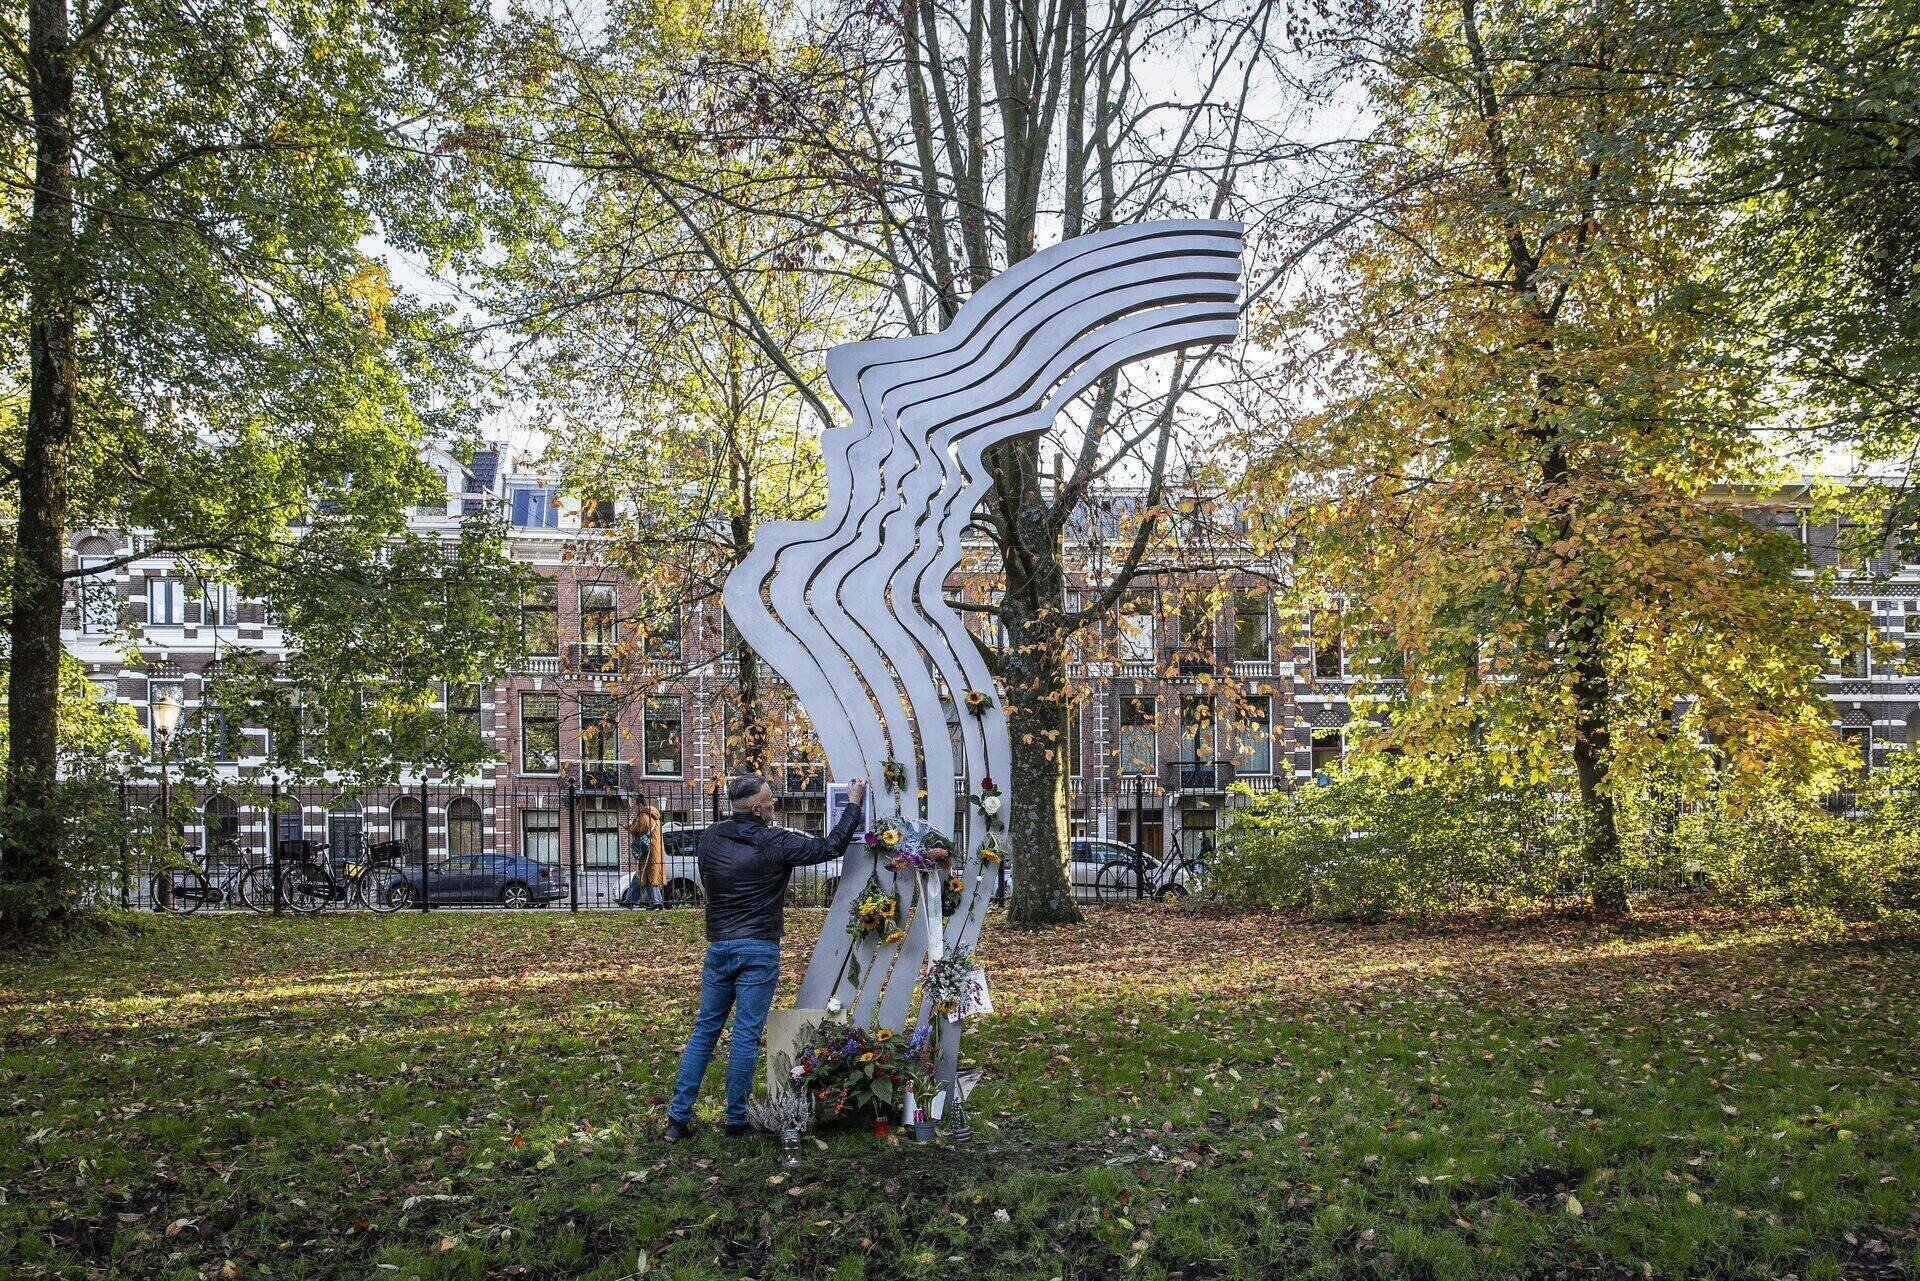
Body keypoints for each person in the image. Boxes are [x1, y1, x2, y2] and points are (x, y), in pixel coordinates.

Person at [664, 772, 867, 1141]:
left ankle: (677, 1120)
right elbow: (831, 847)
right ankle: (735, 1121)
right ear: (757, 809)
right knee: (745, 1034)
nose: (775, 803)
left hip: (719, 945)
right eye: (770, 799)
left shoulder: (710, 837)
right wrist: (853, 804)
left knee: (704, 1031)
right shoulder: (774, 841)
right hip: (758, 946)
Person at [620, 801, 666, 909]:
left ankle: (651, 901)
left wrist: (629, 826)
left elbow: (639, 829)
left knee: (644, 876)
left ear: (641, 806)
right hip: (654, 850)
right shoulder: (655, 818)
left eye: (637, 806)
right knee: (645, 876)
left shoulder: (644, 815)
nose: (636, 808)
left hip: (648, 852)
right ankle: (638, 901)